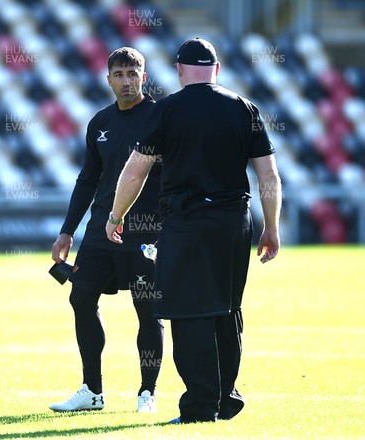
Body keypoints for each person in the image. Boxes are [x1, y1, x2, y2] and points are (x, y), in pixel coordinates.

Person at [105, 38, 281, 423]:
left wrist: (116, 215)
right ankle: (226, 398)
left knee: (188, 311)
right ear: (216, 70)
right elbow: (267, 173)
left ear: (180, 70)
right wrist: (272, 227)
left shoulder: (166, 110)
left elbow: (136, 169)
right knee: (227, 308)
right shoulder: (244, 108)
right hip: (235, 221)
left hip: (186, 223)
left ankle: (200, 407)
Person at [49, 47, 164, 413]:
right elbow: (88, 179)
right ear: (108, 79)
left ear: (144, 77)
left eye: (134, 74)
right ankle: (92, 391)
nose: (127, 81)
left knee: (147, 309)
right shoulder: (99, 123)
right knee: (80, 298)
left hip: (146, 231)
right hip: (101, 230)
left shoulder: (161, 118)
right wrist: (68, 230)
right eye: (119, 74)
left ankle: (148, 393)